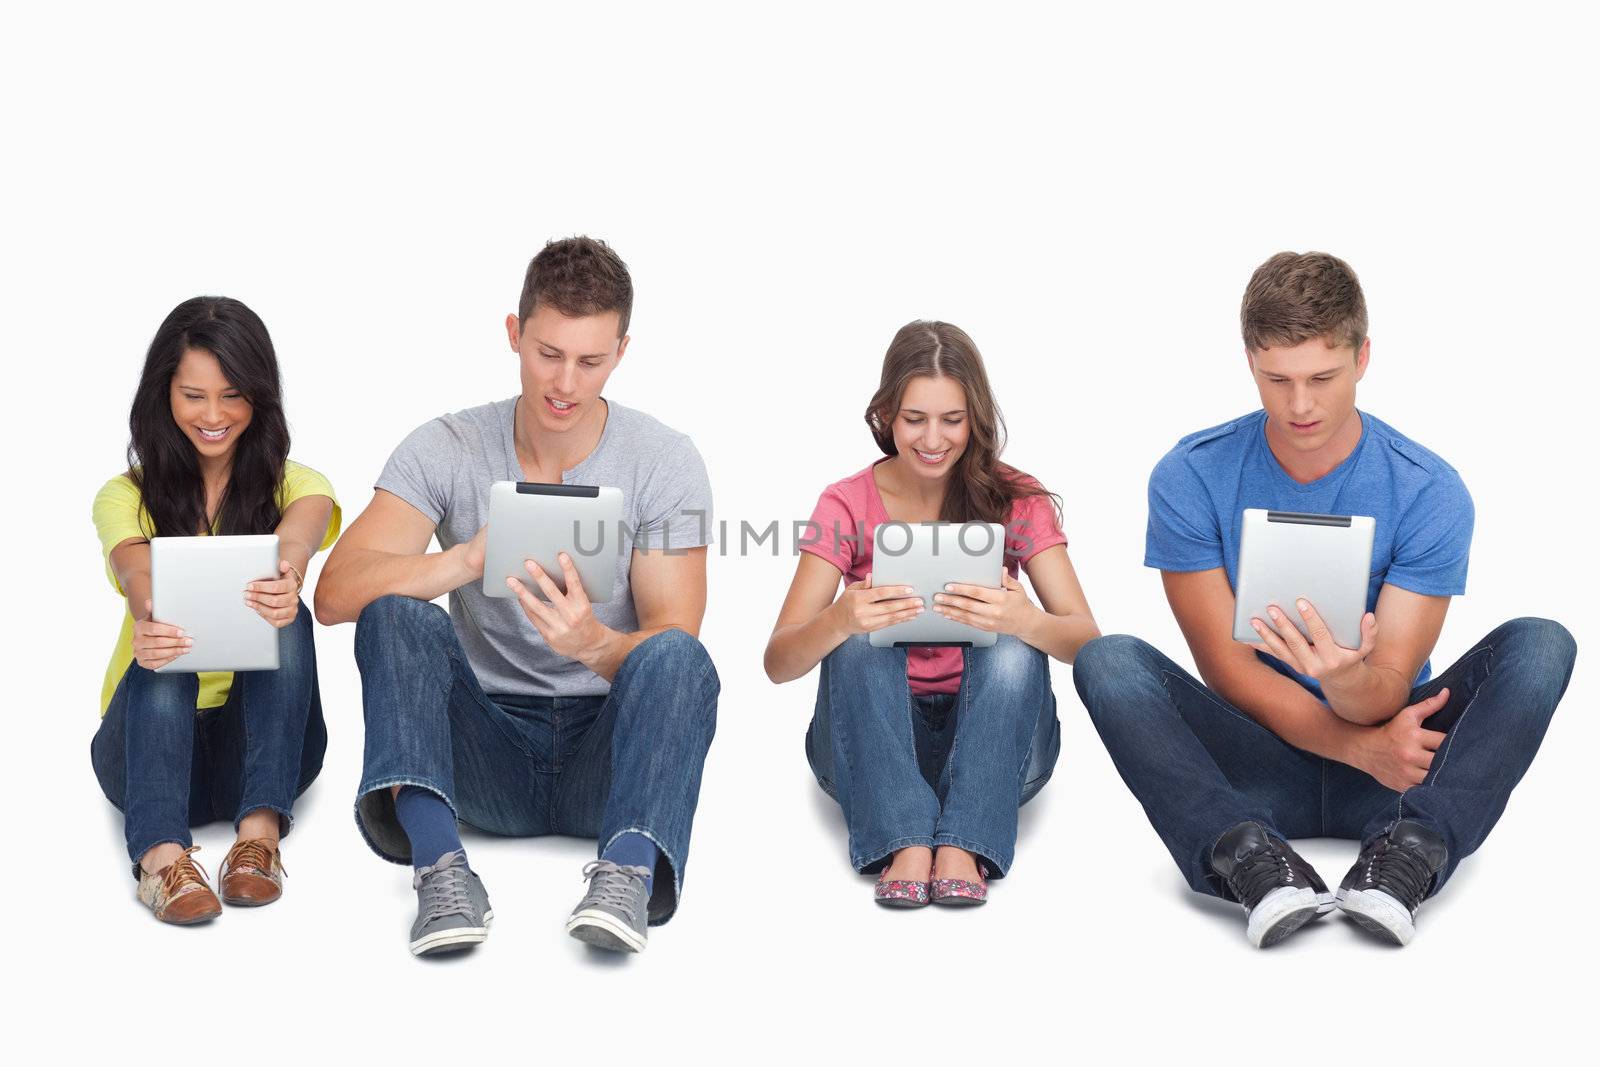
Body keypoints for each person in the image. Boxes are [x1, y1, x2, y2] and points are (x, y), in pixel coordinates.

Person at [1073, 252, 1576, 947]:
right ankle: (1247, 854)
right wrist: (1354, 745)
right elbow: (1227, 668)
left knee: (1542, 644)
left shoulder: (1428, 489)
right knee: (1109, 661)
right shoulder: (1190, 474)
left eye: (1322, 378)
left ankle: (1410, 851)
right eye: (1276, 379)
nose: (1299, 404)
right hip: (1257, 760)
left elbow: (1388, 684)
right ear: (1248, 358)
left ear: (1362, 356)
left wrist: (1349, 682)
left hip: (1398, 759)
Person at [316, 236, 718, 957]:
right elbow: (336, 592)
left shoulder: (664, 461)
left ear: (621, 352)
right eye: (548, 353)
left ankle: (625, 871)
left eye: (590, 361)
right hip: (485, 753)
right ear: (514, 334)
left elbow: (672, 652)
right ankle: (440, 867)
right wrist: (464, 559)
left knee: (684, 657)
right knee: (394, 611)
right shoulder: (447, 446)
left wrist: (591, 642)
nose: (565, 381)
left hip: (610, 756)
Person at [765, 321, 1099, 907]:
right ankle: (905, 838)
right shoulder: (844, 503)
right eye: (915, 419)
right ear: (886, 415)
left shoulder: (1015, 497)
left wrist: (1024, 619)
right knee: (850, 643)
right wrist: (842, 618)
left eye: (952, 419)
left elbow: (1086, 642)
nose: (933, 439)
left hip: (996, 753)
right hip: (869, 751)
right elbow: (778, 662)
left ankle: (965, 840)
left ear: (975, 419)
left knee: (1017, 646)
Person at [91, 296, 340, 925]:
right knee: (167, 627)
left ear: (258, 397)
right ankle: (162, 859)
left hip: (256, 749)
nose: (213, 416)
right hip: (145, 743)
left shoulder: (296, 482)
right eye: (193, 395)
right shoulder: (125, 495)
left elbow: (301, 533)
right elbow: (134, 566)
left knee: (291, 620)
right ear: (164, 395)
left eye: (232, 395)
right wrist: (151, 609)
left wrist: (288, 574)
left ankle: (258, 838)